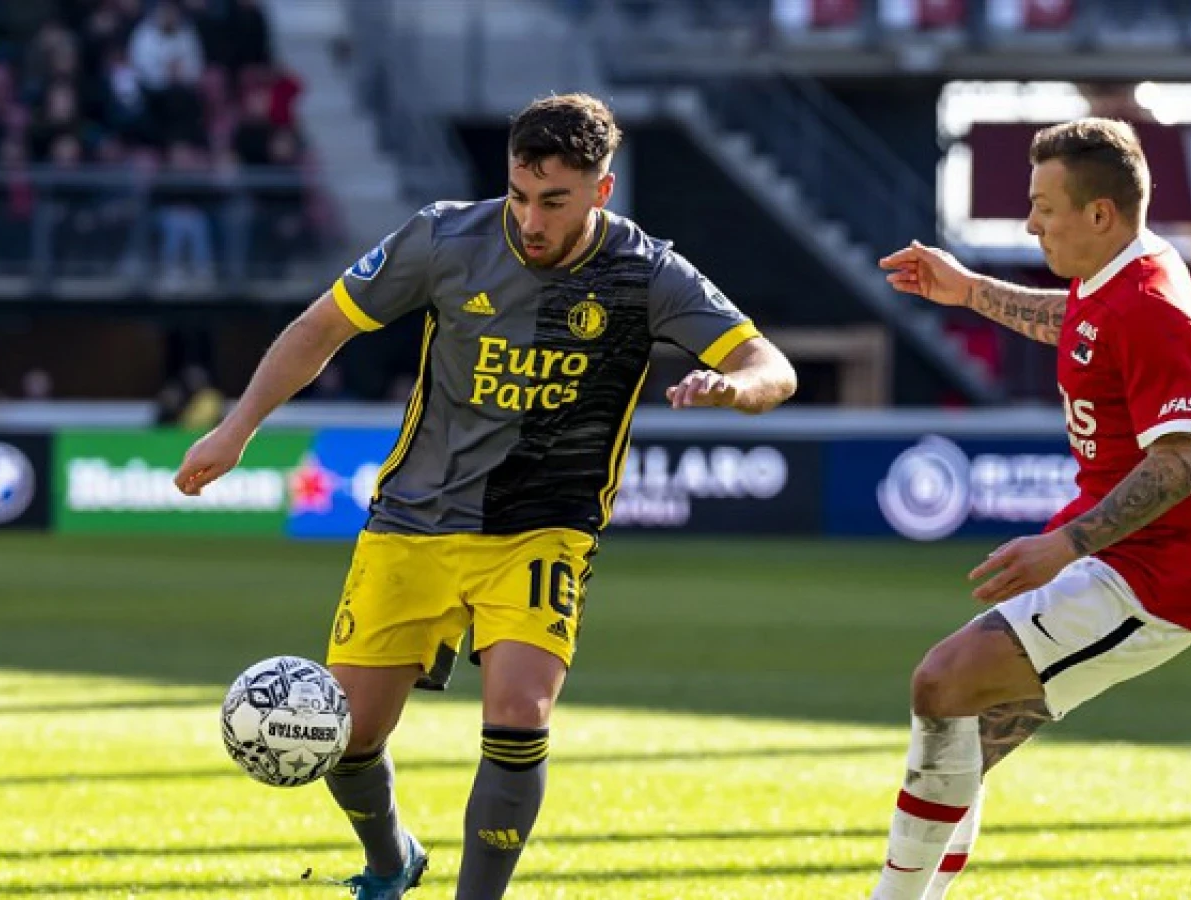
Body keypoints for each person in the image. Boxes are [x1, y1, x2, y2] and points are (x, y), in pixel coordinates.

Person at [173, 93, 797, 900]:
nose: (531, 219)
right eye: (520, 195)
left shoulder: (647, 272)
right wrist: (236, 429)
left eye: (555, 201)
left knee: (519, 712)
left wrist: (736, 389)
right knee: (347, 736)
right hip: (413, 519)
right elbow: (321, 328)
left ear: (600, 193)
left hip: (542, 530)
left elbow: (771, 366)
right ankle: (393, 858)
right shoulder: (443, 237)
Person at [868, 117, 1191, 899]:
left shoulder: (1155, 307)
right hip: (1113, 557)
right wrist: (968, 290)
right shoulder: (1115, 283)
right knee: (959, 723)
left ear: (1099, 215)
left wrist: (1067, 544)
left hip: (1153, 578)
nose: (1030, 221)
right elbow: (1076, 325)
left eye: (1042, 205)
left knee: (941, 684)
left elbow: (1177, 466)